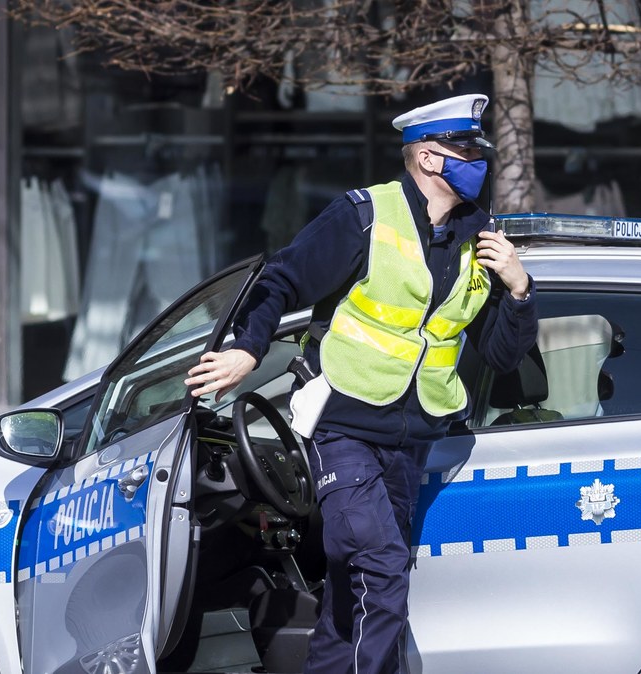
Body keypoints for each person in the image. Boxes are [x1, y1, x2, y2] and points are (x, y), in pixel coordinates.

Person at [184, 93, 538, 674]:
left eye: (479, 151)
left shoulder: (482, 239)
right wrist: (247, 349)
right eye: (465, 150)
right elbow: (281, 280)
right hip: (345, 426)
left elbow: (500, 355)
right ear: (428, 159)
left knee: (353, 595)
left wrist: (520, 289)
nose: (479, 162)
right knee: (379, 567)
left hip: (414, 439)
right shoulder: (364, 215)